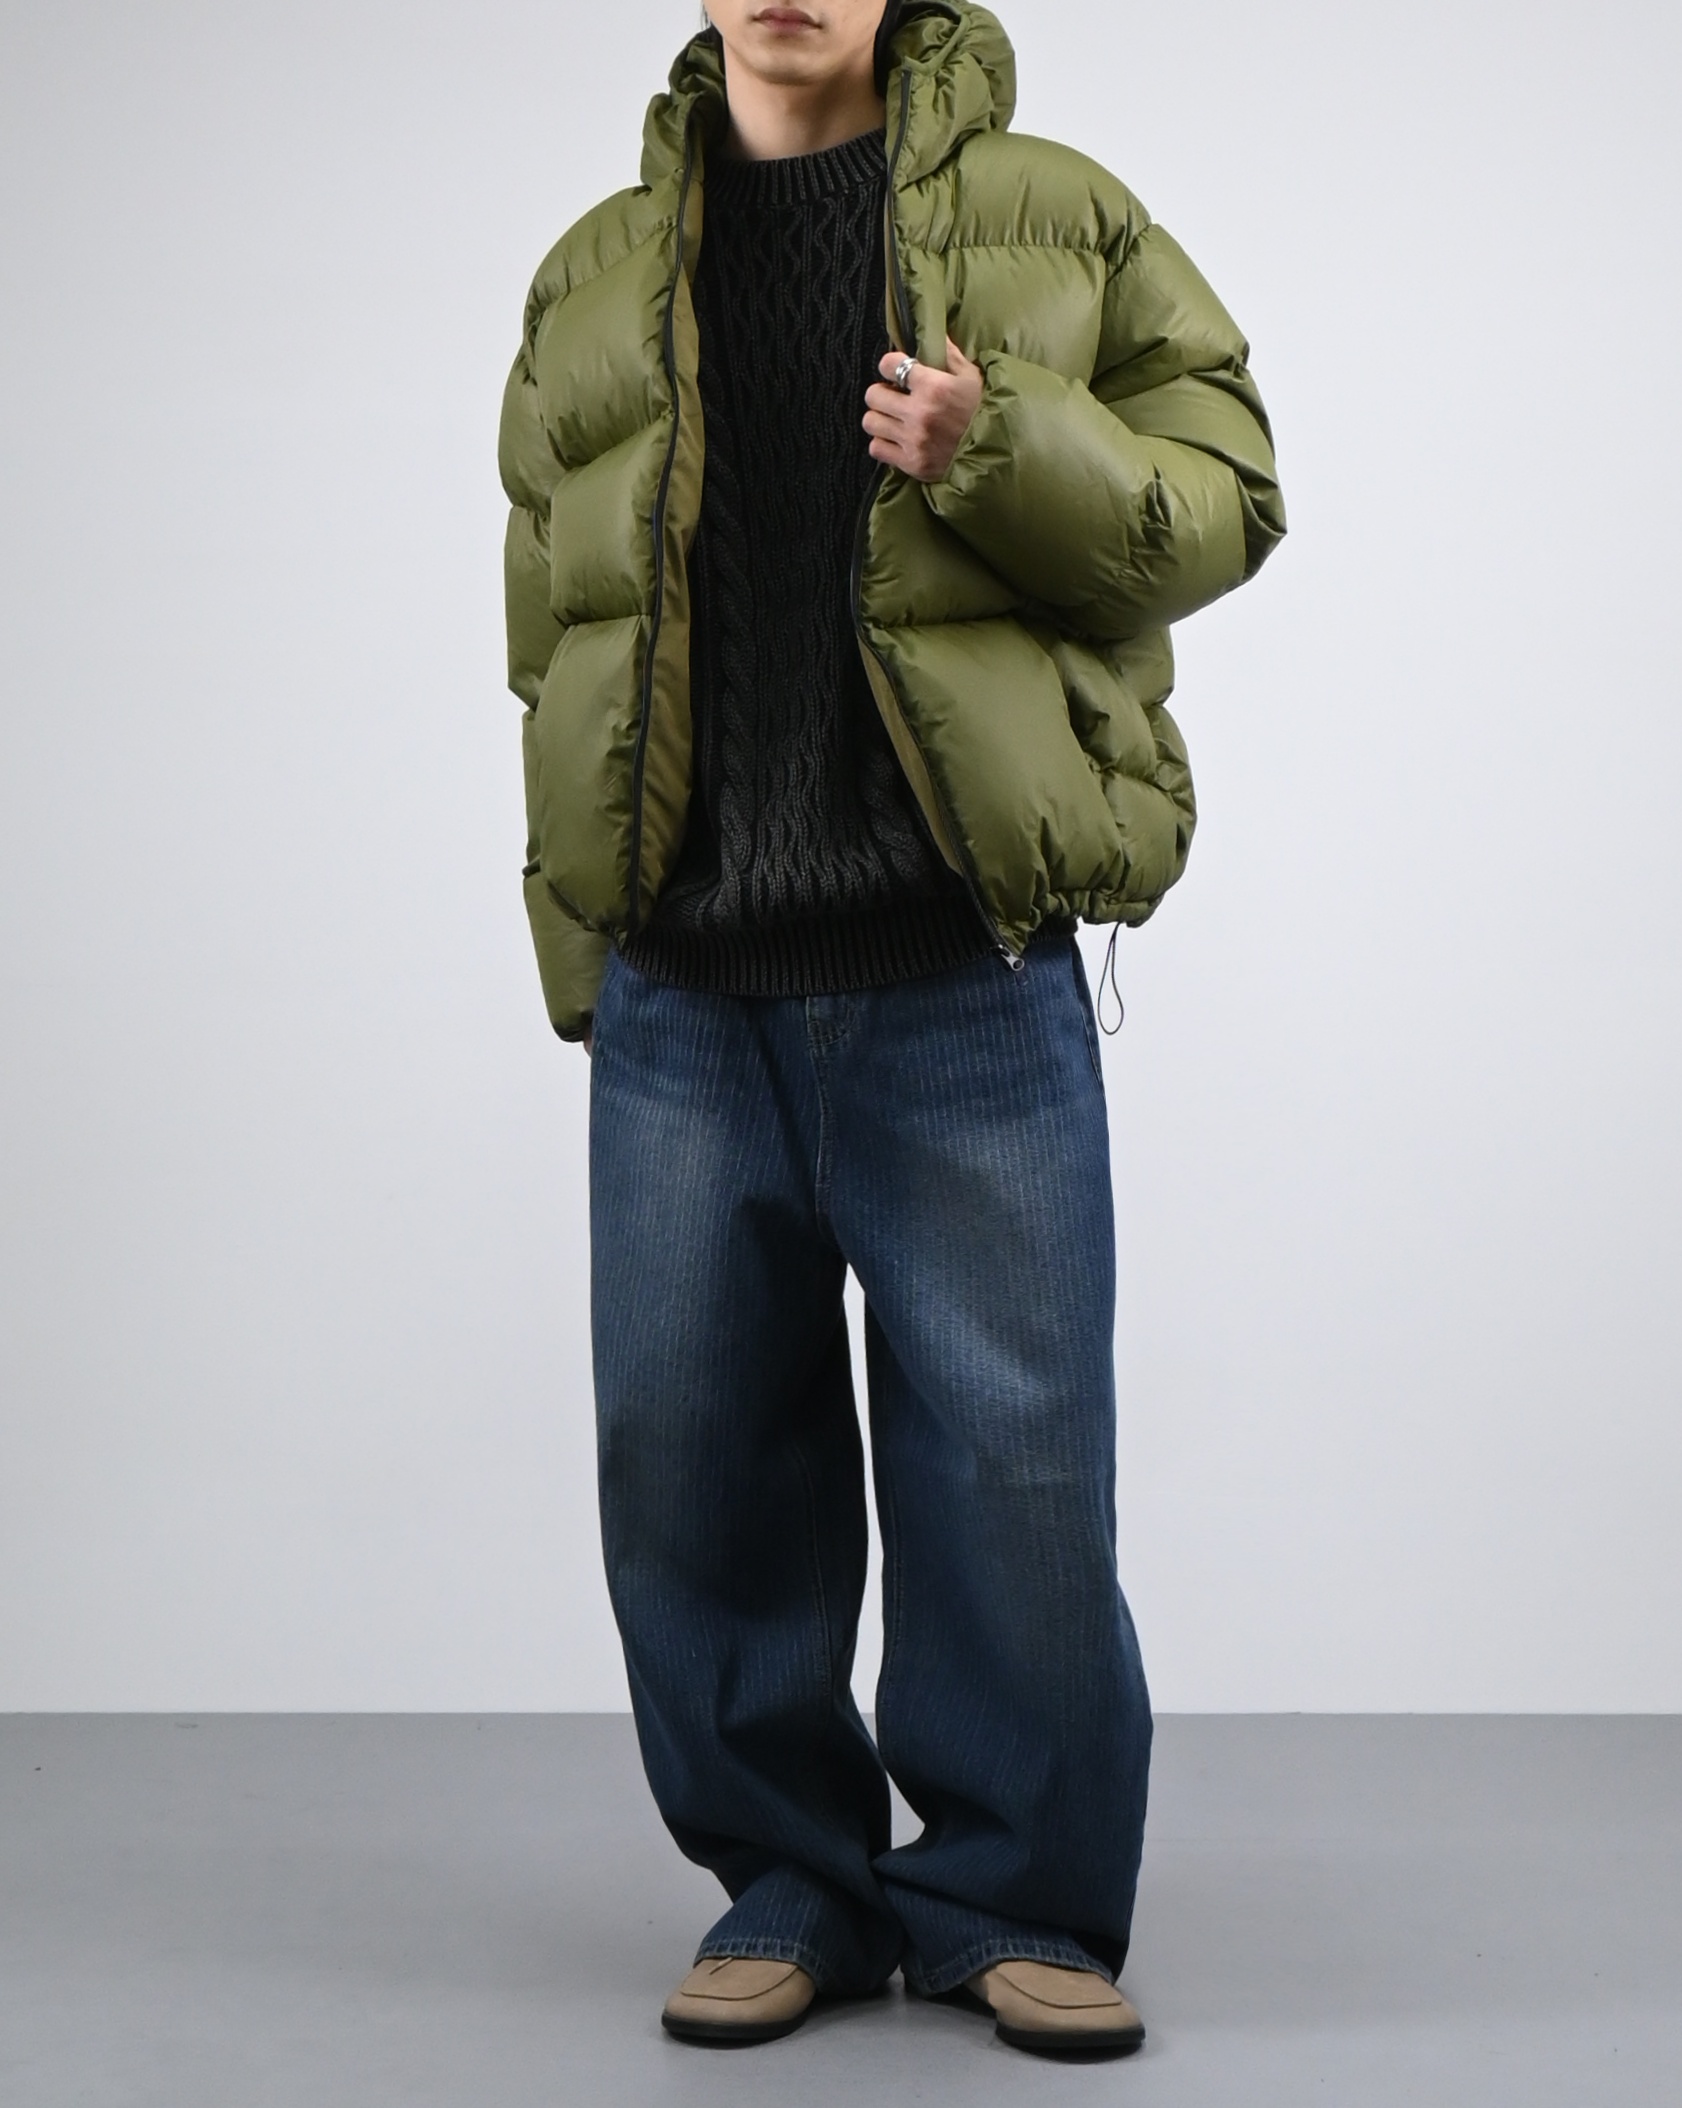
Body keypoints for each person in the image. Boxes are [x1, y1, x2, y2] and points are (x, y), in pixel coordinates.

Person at [497, 0, 1283, 2059]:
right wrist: (584, 937)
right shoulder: (590, 278)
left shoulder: (1060, 216)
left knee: (1013, 1472)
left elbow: (1227, 496)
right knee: (692, 1471)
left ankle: (1015, 1895)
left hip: (959, 973)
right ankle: (788, 1882)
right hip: (686, 993)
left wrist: (997, 443)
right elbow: (554, 643)